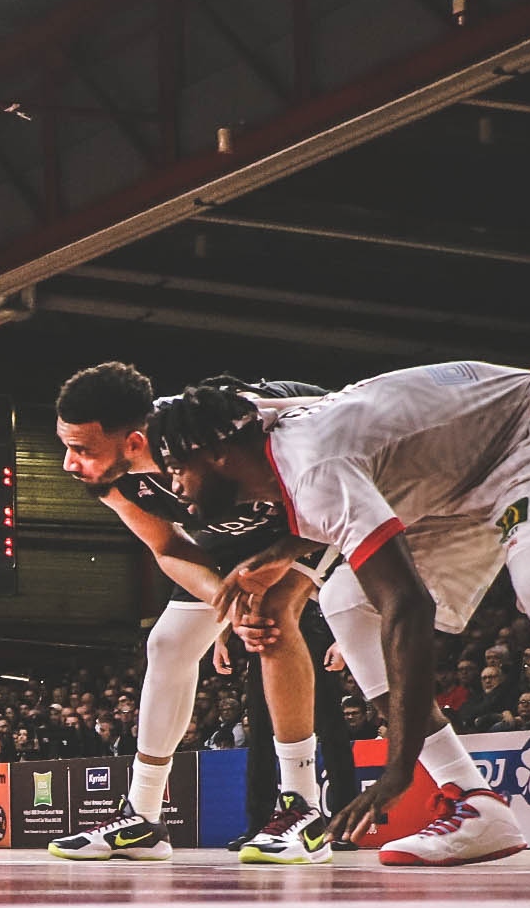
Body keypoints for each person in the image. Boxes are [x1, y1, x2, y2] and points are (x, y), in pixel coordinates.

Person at [150, 363, 530, 867]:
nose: (174, 487)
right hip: (460, 476)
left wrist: (398, 767)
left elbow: (407, 603)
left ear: (214, 452)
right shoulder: (256, 429)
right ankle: (474, 801)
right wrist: (284, 549)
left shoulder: (312, 464)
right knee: (344, 600)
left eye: (176, 468)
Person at [48, 362, 335, 865]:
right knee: (169, 644)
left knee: (269, 616)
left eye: (83, 450)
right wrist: (225, 598)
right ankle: (142, 817)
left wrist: (262, 584)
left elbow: (337, 492)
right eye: (67, 446)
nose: (70, 464)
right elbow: (166, 547)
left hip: (318, 504)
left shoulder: (227, 431)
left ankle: (304, 805)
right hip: (238, 531)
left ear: (135, 442)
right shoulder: (113, 479)